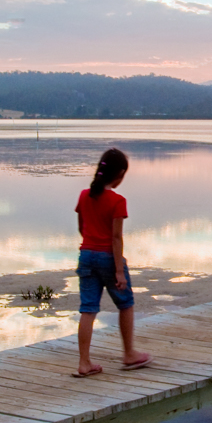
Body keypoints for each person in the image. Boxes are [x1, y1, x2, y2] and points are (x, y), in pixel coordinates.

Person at [73, 147, 151, 377]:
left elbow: (81, 228)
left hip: (86, 254)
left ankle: (84, 362)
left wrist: (91, 244)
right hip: (107, 257)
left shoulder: (83, 196)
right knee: (125, 302)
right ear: (119, 175)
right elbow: (116, 239)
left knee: (88, 309)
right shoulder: (117, 201)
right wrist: (118, 271)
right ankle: (129, 353)